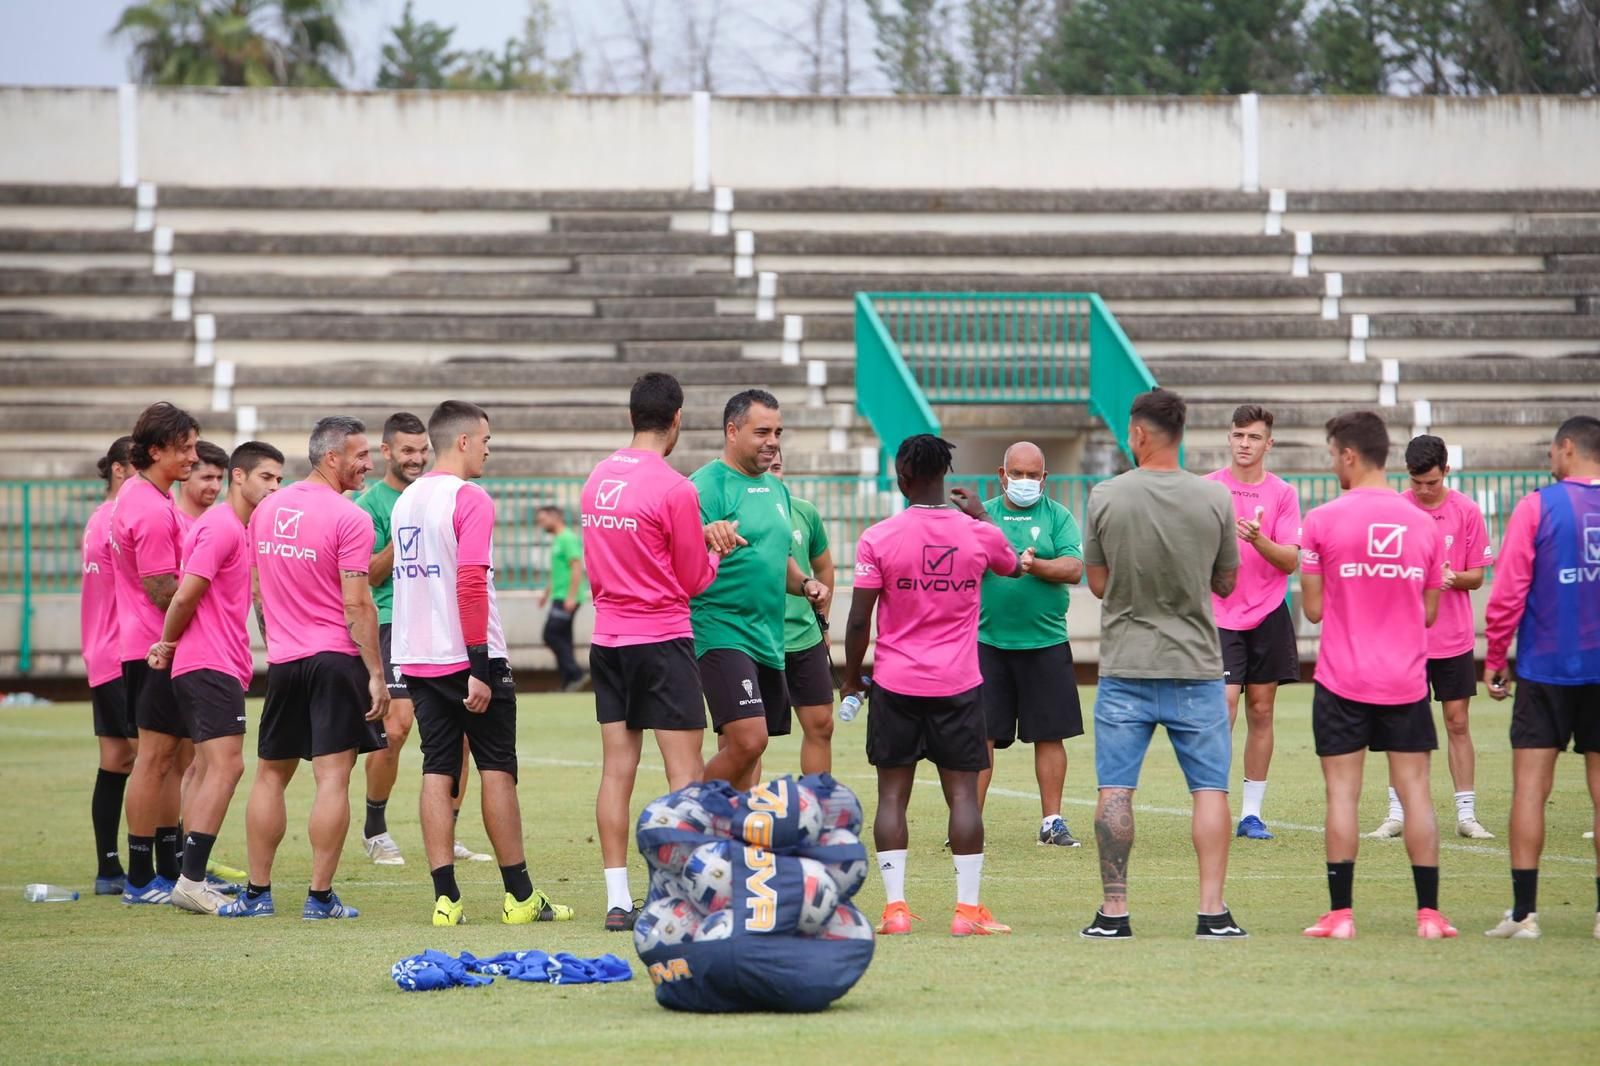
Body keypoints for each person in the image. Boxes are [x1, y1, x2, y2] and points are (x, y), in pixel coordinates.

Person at [391, 401, 573, 927]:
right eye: (487, 440)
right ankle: (519, 897)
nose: (490, 449)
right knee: (497, 769)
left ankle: (445, 899)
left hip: (417, 655)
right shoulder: (469, 498)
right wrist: (478, 664)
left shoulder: (407, 500)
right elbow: (470, 581)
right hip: (468, 653)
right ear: (465, 441)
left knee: (436, 767)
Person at [1079, 389, 1247, 941]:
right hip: (1197, 664)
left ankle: (1115, 912)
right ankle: (1213, 912)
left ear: (1140, 434)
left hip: (1127, 663)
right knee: (1210, 790)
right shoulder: (1215, 499)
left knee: (1116, 790)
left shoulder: (1106, 495)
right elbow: (1226, 581)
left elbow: (1099, 585)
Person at [841, 434, 1024, 937]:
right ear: (945, 477)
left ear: (902, 478)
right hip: (959, 684)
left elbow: (859, 619)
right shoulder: (976, 533)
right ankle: (967, 912)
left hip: (896, 683)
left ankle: (895, 910)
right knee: (963, 795)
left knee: (892, 796)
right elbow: (1009, 564)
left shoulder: (878, 537)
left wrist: (850, 678)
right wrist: (983, 516)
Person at [221, 416, 390, 920]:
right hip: (337, 660)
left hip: (287, 661)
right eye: (361, 455)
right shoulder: (351, 517)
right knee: (333, 778)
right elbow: (358, 604)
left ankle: (257, 893)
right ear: (332, 458)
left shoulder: (267, 509)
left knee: (271, 775)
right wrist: (376, 674)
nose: (368, 464)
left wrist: (280, 642)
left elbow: (256, 590)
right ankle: (319, 898)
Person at [1300, 411, 1456, 941]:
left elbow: (1315, 611)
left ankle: (1340, 915)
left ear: (1348, 455)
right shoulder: (1423, 524)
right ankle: (1429, 915)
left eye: (1331, 454)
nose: (1331, 464)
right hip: (1407, 681)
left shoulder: (1321, 520)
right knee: (1416, 793)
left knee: (1342, 795)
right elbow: (1430, 612)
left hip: (1342, 678)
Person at [581, 372, 723, 931]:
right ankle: (681, 893)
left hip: (608, 637)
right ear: (677, 418)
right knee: (684, 772)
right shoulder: (674, 487)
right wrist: (717, 553)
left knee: (617, 771)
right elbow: (692, 578)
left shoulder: (597, 478)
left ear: (631, 414)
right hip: (661, 638)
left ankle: (618, 900)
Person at [148, 442, 284, 914]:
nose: (274, 487)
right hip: (207, 664)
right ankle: (190, 879)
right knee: (227, 767)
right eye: (266, 477)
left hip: (217, 663)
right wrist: (166, 644)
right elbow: (184, 596)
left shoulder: (239, 529)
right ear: (239, 478)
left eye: (279, 479)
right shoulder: (222, 526)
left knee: (205, 768)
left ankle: (191, 872)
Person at [1482, 415, 1600, 940]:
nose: (1549, 459)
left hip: (1546, 667)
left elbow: (1508, 590)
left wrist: (1494, 658)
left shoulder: (1537, 505)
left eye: (1552, 451)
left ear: (1568, 448)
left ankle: (1525, 914)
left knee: (1530, 790)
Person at [353, 412, 489, 867]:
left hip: (446, 619)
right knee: (396, 727)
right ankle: (375, 826)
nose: (415, 458)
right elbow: (369, 574)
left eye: (421, 450)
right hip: (396, 619)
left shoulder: (444, 494)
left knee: (464, 729)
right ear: (386, 452)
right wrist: (405, 536)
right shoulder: (373, 505)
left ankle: (445, 834)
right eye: (405, 451)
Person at [691, 389, 828, 790]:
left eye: (778, 432)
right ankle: (687, 813)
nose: (773, 442)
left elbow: (776, 558)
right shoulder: (704, 486)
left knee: (749, 748)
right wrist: (703, 535)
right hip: (721, 629)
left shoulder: (776, 489)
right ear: (732, 431)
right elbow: (675, 553)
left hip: (769, 634)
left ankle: (737, 836)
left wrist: (804, 583)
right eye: (762, 431)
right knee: (750, 739)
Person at [1368, 434, 1496, 841]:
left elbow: (1477, 576)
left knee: (1457, 723)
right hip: (1403, 639)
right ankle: (1396, 812)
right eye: (1416, 482)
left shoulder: (1467, 512)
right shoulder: (1394, 510)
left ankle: (1466, 814)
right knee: (1401, 725)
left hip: (1453, 639)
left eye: (1432, 482)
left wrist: (1451, 577)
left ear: (1446, 472)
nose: (1423, 491)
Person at [975, 441, 1086, 847]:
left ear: (1045, 478)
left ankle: (1052, 821)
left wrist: (1033, 565)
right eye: (1016, 474)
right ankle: (969, 823)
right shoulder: (981, 516)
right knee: (981, 736)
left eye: (1032, 475)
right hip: (987, 642)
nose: (1024, 482)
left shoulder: (1059, 516)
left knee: (1050, 734)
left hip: (1046, 641)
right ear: (1002, 475)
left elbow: (1074, 567)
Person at [112, 402, 199, 906]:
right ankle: (141, 876)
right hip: (153, 647)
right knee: (154, 759)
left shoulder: (146, 496)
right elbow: (162, 589)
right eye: (183, 448)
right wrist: (207, 597)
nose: (191, 456)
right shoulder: (145, 505)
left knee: (167, 760)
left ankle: (165, 869)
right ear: (155, 451)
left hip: (154, 644)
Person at [1205, 405, 1302, 841]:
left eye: (1254, 437)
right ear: (1229, 438)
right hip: (1219, 614)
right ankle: (1213, 805)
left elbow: (1291, 559)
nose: (1245, 444)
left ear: (1269, 443)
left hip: (1267, 612)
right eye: (1239, 435)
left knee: (1261, 711)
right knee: (1223, 705)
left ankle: (1251, 814)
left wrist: (1257, 539)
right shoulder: (1207, 489)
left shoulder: (1283, 493)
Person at [83, 435, 137, 895]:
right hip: (123, 651)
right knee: (159, 757)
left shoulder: (98, 519)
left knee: (118, 760)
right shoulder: (117, 519)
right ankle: (160, 864)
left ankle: (108, 868)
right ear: (120, 469)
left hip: (102, 650)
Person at [769, 447, 838, 775]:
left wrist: (823, 624)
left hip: (804, 637)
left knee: (822, 725)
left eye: (777, 467)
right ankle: (736, 815)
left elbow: (824, 568)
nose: (772, 473)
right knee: (745, 739)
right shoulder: (734, 514)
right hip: (756, 638)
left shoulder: (804, 512)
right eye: (765, 468)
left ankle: (817, 805)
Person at [537, 505, 590, 692]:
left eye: (543, 520)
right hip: (558, 595)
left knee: (550, 634)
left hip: (566, 597)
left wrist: (571, 596)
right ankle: (569, 682)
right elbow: (558, 571)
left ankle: (575, 673)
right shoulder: (558, 539)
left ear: (555, 517)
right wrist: (546, 593)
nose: (540, 524)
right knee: (564, 638)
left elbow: (576, 567)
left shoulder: (567, 538)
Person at [175, 440, 228, 531]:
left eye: (219, 478)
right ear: (184, 477)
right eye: (207, 478)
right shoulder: (172, 524)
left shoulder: (221, 526)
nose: (216, 487)